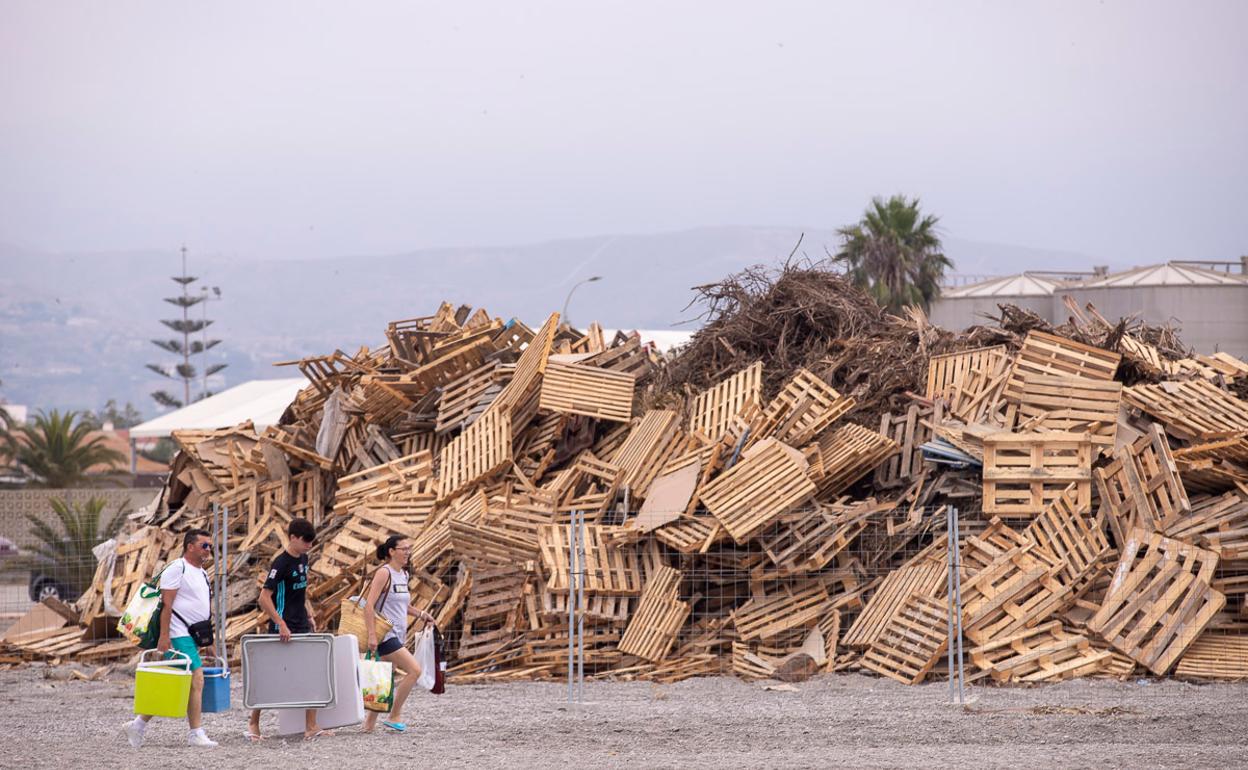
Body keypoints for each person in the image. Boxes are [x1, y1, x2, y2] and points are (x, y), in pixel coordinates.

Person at [123, 529, 218, 748]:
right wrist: (164, 637)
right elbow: (167, 605)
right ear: (190, 546)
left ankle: (137, 725)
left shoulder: (202, 572)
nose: (208, 550)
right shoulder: (177, 569)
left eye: (210, 546)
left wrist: (208, 641)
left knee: (174, 682)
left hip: (194, 633)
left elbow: (202, 608)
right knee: (197, 678)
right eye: (204, 545)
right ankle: (196, 733)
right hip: (179, 632)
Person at [247, 518, 329, 742]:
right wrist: (281, 623)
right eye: (306, 542)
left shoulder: (304, 558)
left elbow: (301, 592)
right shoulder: (280, 564)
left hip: (301, 623)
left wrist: (309, 613)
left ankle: (311, 725)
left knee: (312, 672)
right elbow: (265, 598)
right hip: (282, 626)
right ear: (293, 538)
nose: (309, 546)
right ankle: (254, 723)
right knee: (270, 676)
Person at [362, 534, 435, 733]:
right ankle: (394, 715)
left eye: (409, 549)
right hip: (385, 634)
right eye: (403, 549)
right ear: (391, 551)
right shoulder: (384, 573)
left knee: (385, 678)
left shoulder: (403, 574)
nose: (407, 553)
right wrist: (371, 635)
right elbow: (369, 606)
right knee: (415, 671)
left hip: (398, 633)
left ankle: (368, 725)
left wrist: (421, 614)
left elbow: (404, 605)